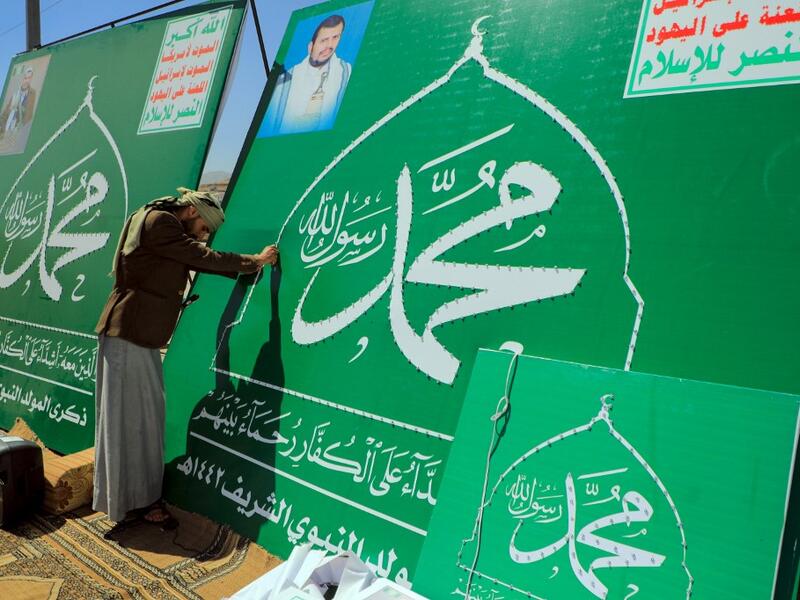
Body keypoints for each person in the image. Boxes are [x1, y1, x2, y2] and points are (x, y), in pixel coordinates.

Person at [93, 187, 278, 530]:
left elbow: (192, 258)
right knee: (133, 422)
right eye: (205, 228)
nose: (204, 235)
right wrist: (254, 261)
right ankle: (139, 502)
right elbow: (200, 257)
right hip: (130, 333)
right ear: (193, 213)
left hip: (133, 334)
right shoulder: (161, 222)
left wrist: (241, 270)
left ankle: (131, 499)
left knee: (139, 419)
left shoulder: (156, 217)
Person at [265, 14, 351, 135]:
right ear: (310, 47)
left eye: (335, 37)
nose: (329, 46)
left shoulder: (346, 72)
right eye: (324, 40)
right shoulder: (285, 81)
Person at [0, 66, 37, 137]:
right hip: (6, 130)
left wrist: (19, 130)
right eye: (25, 78)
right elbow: (5, 113)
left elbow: (29, 116)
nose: (27, 81)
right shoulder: (15, 93)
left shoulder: (32, 93)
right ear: (22, 79)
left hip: (17, 133)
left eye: (29, 78)